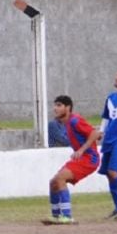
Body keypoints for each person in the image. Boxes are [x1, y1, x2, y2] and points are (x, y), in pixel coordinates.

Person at [44, 96, 99, 225]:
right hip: (82, 158)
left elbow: (94, 133)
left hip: (89, 159)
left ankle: (67, 216)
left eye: (59, 105)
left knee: (60, 179)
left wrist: (81, 150)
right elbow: (93, 133)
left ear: (67, 108)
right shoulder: (67, 122)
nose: (55, 108)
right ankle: (56, 216)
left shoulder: (75, 120)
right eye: (55, 105)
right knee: (53, 182)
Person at [98, 68, 117, 219]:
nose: (116, 78)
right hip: (109, 139)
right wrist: (101, 131)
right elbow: (106, 117)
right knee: (109, 174)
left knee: (114, 171)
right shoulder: (111, 98)